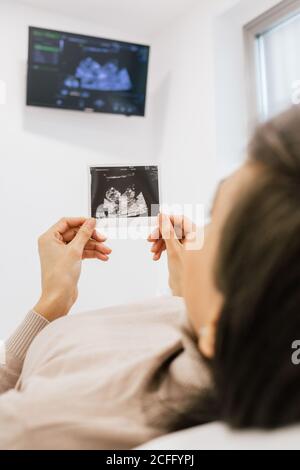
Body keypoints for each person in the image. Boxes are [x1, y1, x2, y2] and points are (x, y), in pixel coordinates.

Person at [1, 106, 300, 449]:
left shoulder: (38, 427)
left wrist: (50, 304)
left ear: (218, 329)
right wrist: (187, 295)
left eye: (214, 219)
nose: (199, 232)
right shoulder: (252, 344)